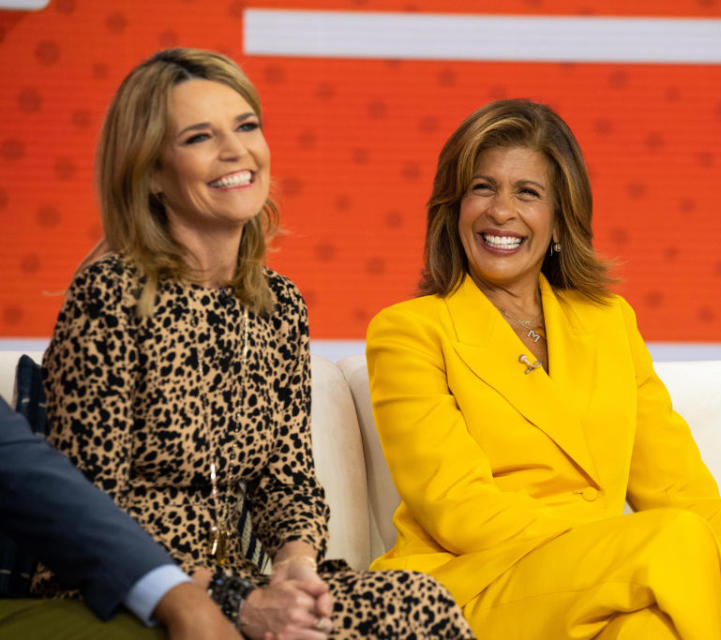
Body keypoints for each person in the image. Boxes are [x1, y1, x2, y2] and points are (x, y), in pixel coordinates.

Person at [364, 99, 721, 639]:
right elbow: (459, 509)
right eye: (482, 188)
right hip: (473, 589)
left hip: (602, 586)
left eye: (528, 193)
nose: (501, 210)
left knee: (651, 627)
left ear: (561, 219)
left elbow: (682, 492)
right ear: (454, 208)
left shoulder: (608, 322)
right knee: (671, 541)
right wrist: (622, 545)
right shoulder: (410, 331)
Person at [38, 48, 474, 640]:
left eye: (246, 127)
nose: (235, 150)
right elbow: (82, 519)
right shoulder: (110, 295)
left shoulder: (278, 307)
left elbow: (287, 480)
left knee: (417, 601)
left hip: (243, 580)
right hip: (140, 588)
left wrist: (295, 568)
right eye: (199, 137)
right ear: (152, 173)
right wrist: (231, 600)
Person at [0, 398, 240, 638]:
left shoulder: (265, 369)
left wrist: (278, 574)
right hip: (110, 572)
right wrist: (212, 597)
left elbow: (20, 464)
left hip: (183, 571)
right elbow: (89, 486)